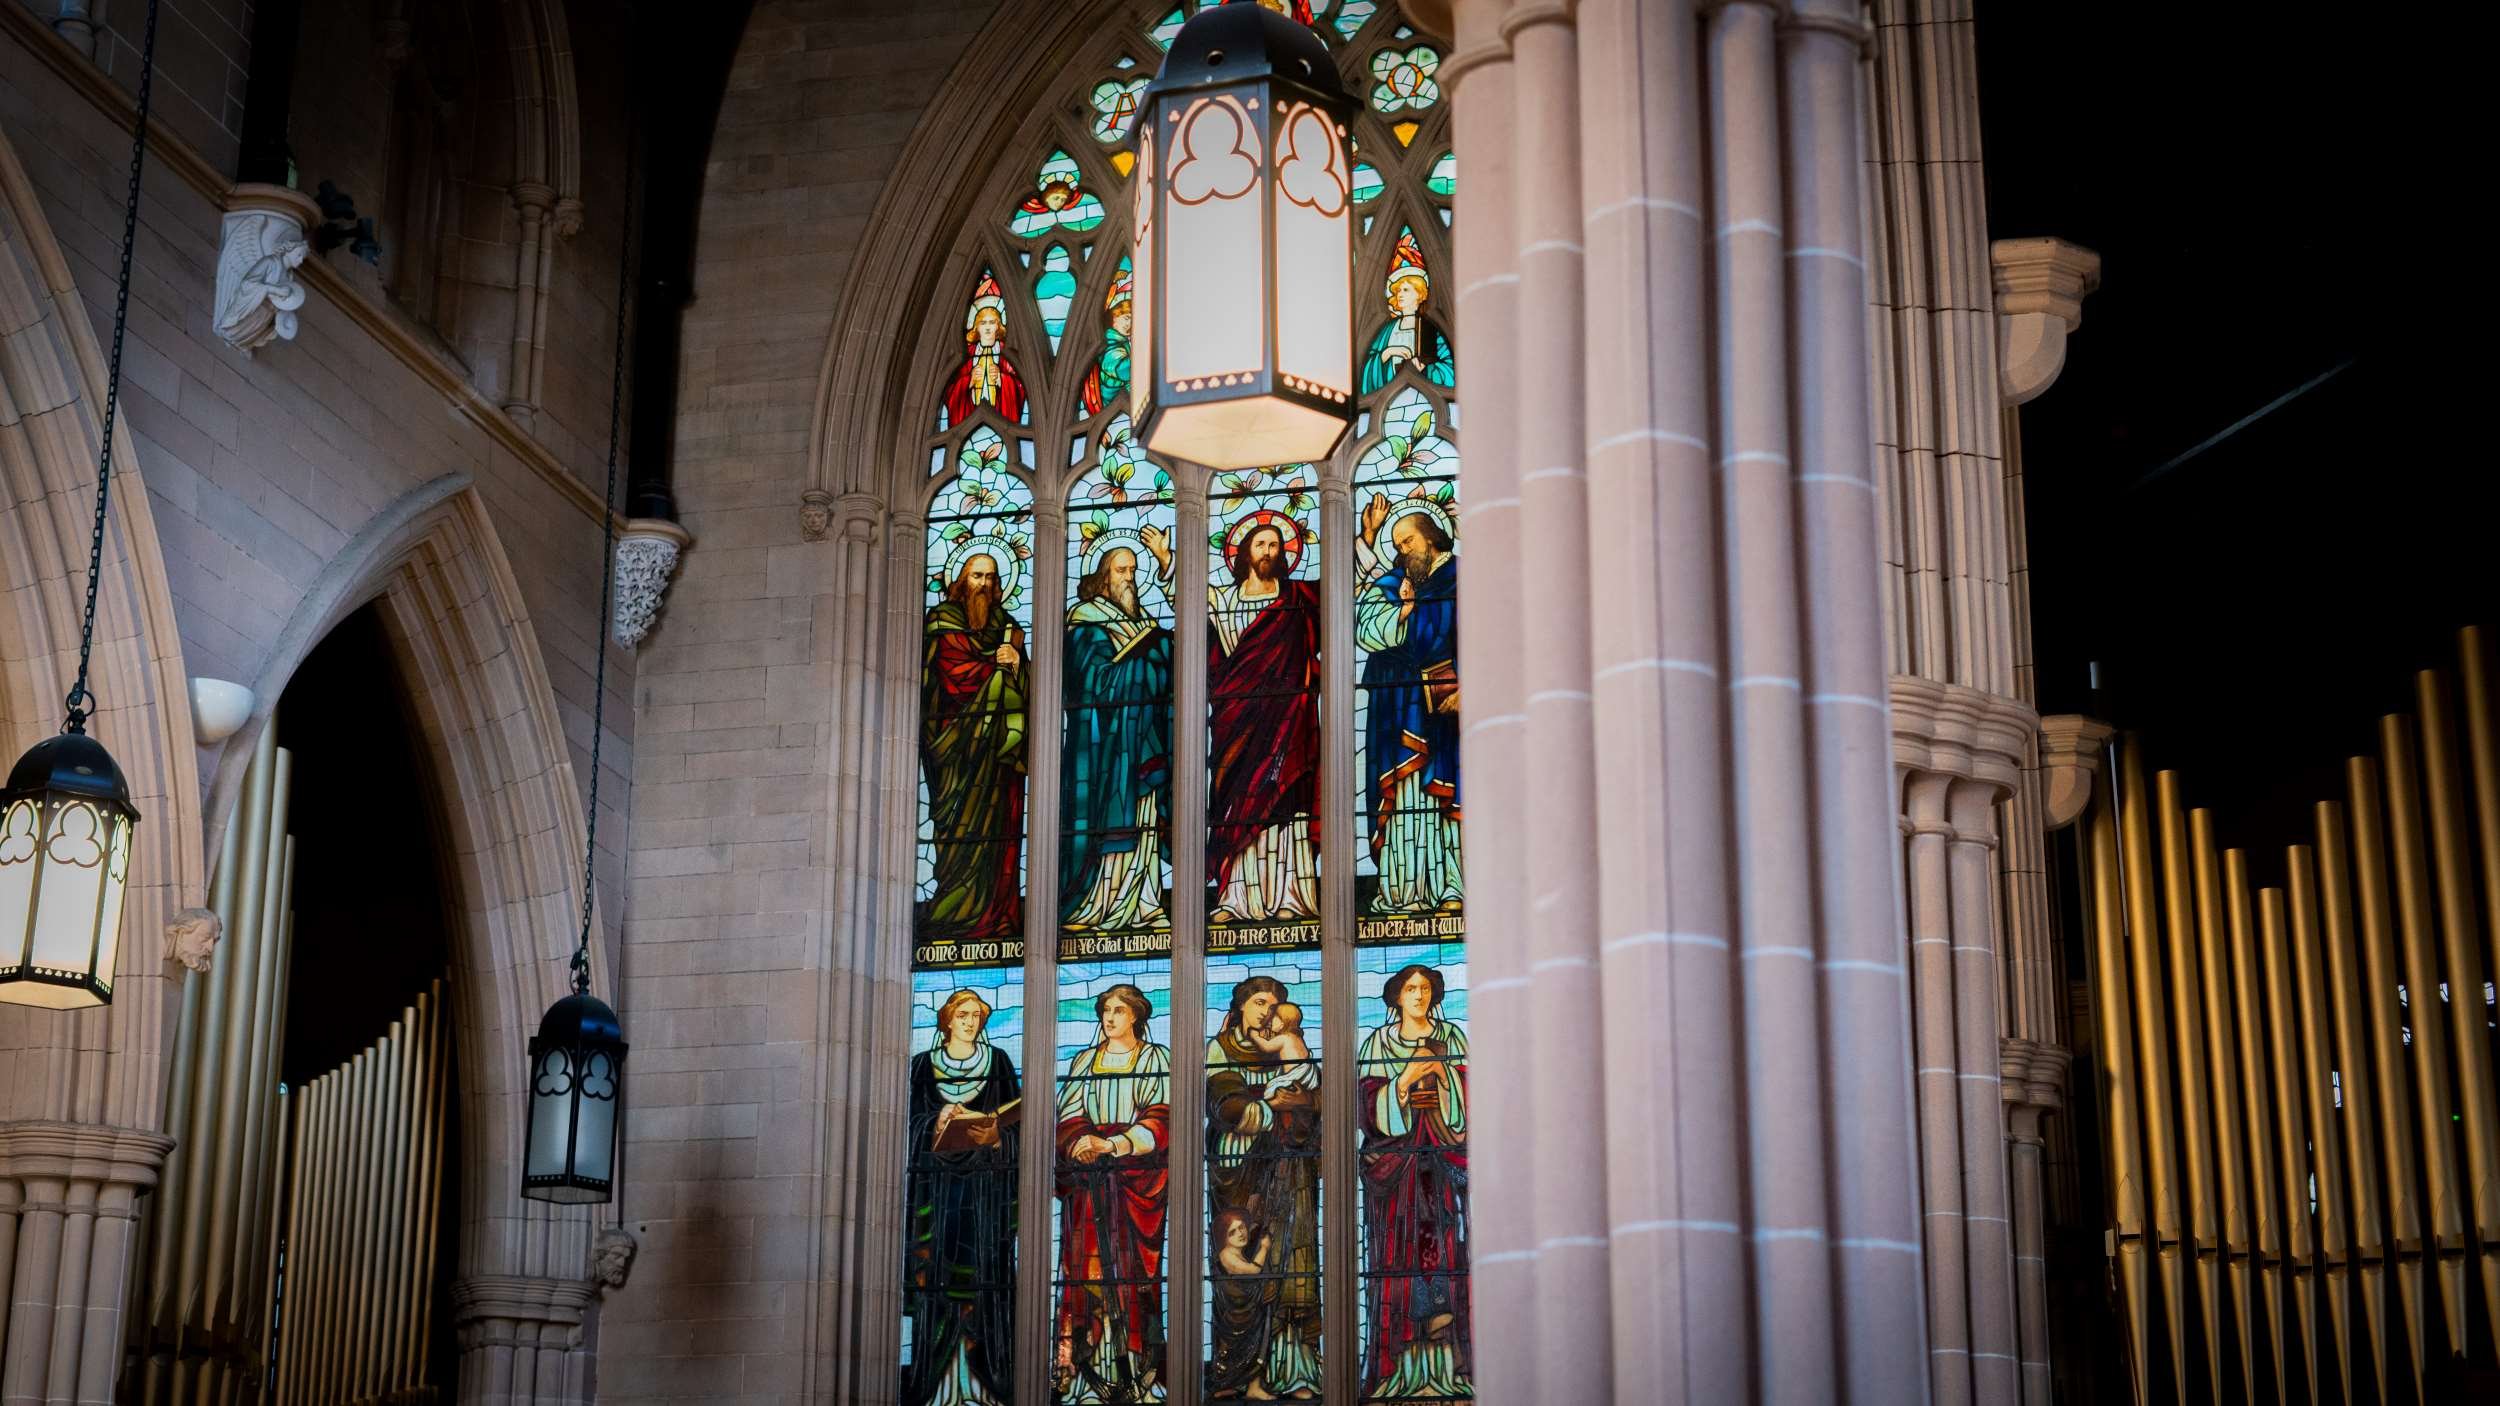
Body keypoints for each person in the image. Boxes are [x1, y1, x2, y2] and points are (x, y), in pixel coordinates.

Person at [1356, 965, 1471, 1397]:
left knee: (1445, 1242)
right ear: (1396, 997)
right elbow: (1367, 1108)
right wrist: (1404, 1080)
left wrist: (1441, 1075)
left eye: (1425, 988)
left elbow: (1467, 1096)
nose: (1419, 995)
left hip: (1442, 1164)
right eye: (1410, 988)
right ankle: (1400, 1365)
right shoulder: (1378, 1043)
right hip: (1396, 1172)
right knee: (1396, 1252)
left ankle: (1447, 1363)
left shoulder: (1453, 1039)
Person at [1206, 977, 1323, 1399]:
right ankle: (1239, 1373)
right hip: (1240, 1173)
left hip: (1292, 1170)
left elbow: (1316, 1097)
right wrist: (1270, 1106)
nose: (1266, 1013)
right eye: (1258, 1003)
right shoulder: (1221, 1050)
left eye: (1273, 1006)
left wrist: (1304, 1104)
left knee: (1294, 1253)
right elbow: (1224, 1103)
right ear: (1240, 1008)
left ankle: (1295, 1366)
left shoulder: (1290, 1045)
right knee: (1241, 1261)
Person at [1054, 984, 1172, 1401]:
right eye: (1105, 1009)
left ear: (1136, 1016)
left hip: (1136, 1186)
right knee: (1088, 1274)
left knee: (1132, 1278)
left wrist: (1115, 1145)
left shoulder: (1157, 1059)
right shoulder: (1085, 1061)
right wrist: (1079, 1143)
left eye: (1119, 1010)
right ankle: (1088, 1370)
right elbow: (1068, 1115)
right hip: (1090, 1188)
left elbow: (1163, 1118)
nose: (1110, 1017)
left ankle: (1137, 1369)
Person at [906, 989, 1022, 1406]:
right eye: (963, 1015)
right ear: (947, 1020)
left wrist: (995, 1135)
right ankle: (938, 1383)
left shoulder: (1000, 1064)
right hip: (937, 1198)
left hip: (985, 1198)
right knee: (935, 1285)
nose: (971, 1022)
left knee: (987, 1283)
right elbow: (906, 1127)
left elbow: (1016, 1125)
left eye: (977, 1015)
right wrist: (935, 1120)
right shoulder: (922, 1066)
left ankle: (984, 1379)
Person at [1207, 519, 1322, 926]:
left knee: (1287, 802)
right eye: (1260, 544)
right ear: (1244, 552)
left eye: (1275, 545)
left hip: (1290, 723)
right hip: (1237, 724)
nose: (1268, 552)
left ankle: (1293, 894)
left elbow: (1346, 595)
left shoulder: (1301, 598)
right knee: (1236, 808)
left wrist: (1363, 542)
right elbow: (1214, 657)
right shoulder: (1221, 600)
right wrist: (1169, 565)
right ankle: (1236, 896)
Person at [1061, 536, 1174, 932]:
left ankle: (1144, 900)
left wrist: (1154, 659)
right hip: (1102, 748)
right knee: (1107, 822)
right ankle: (1098, 903)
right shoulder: (1084, 620)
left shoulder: (1141, 624)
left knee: (1143, 824)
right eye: (1120, 570)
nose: (1129, 578)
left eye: (1133, 571)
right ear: (1102, 578)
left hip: (1141, 740)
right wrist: (1137, 670)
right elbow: (1089, 680)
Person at [1355, 497, 1461, 914]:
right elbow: (1368, 629)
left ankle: (1454, 884)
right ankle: (1406, 889)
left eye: (1408, 541)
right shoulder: (1396, 584)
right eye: (1397, 545)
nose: (1403, 551)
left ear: (1432, 538)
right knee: (1408, 795)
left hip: (1452, 710)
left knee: (1451, 793)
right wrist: (1403, 613)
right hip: (1403, 709)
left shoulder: (1465, 575)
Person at [920, 554, 1027, 943]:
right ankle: (955, 906)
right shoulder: (941, 623)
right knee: (958, 837)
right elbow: (951, 677)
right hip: (957, 751)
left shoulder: (1008, 628)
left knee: (1001, 833)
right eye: (976, 576)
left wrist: (1015, 663)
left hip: (997, 755)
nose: (983, 584)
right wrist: (993, 667)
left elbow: (1024, 687)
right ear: (962, 581)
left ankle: (998, 914)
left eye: (990, 577)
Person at [1359, 231, 1456, 396]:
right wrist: (1387, 353)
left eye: (1406, 290)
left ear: (1419, 294)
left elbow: (1449, 370)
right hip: (1389, 398)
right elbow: (1368, 374)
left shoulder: (1429, 330)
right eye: (1397, 291)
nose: (1400, 295)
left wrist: (1426, 369)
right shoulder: (1387, 330)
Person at [944, 273, 1028, 426]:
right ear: (976, 327)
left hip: (1002, 417)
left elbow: (1021, 388)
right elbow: (950, 393)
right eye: (983, 323)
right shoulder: (967, 355)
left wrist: (1002, 379)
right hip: (969, 418)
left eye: (992, 322)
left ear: (999, 326)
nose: (988, 327)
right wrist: (968, 381)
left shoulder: (1006, 355)